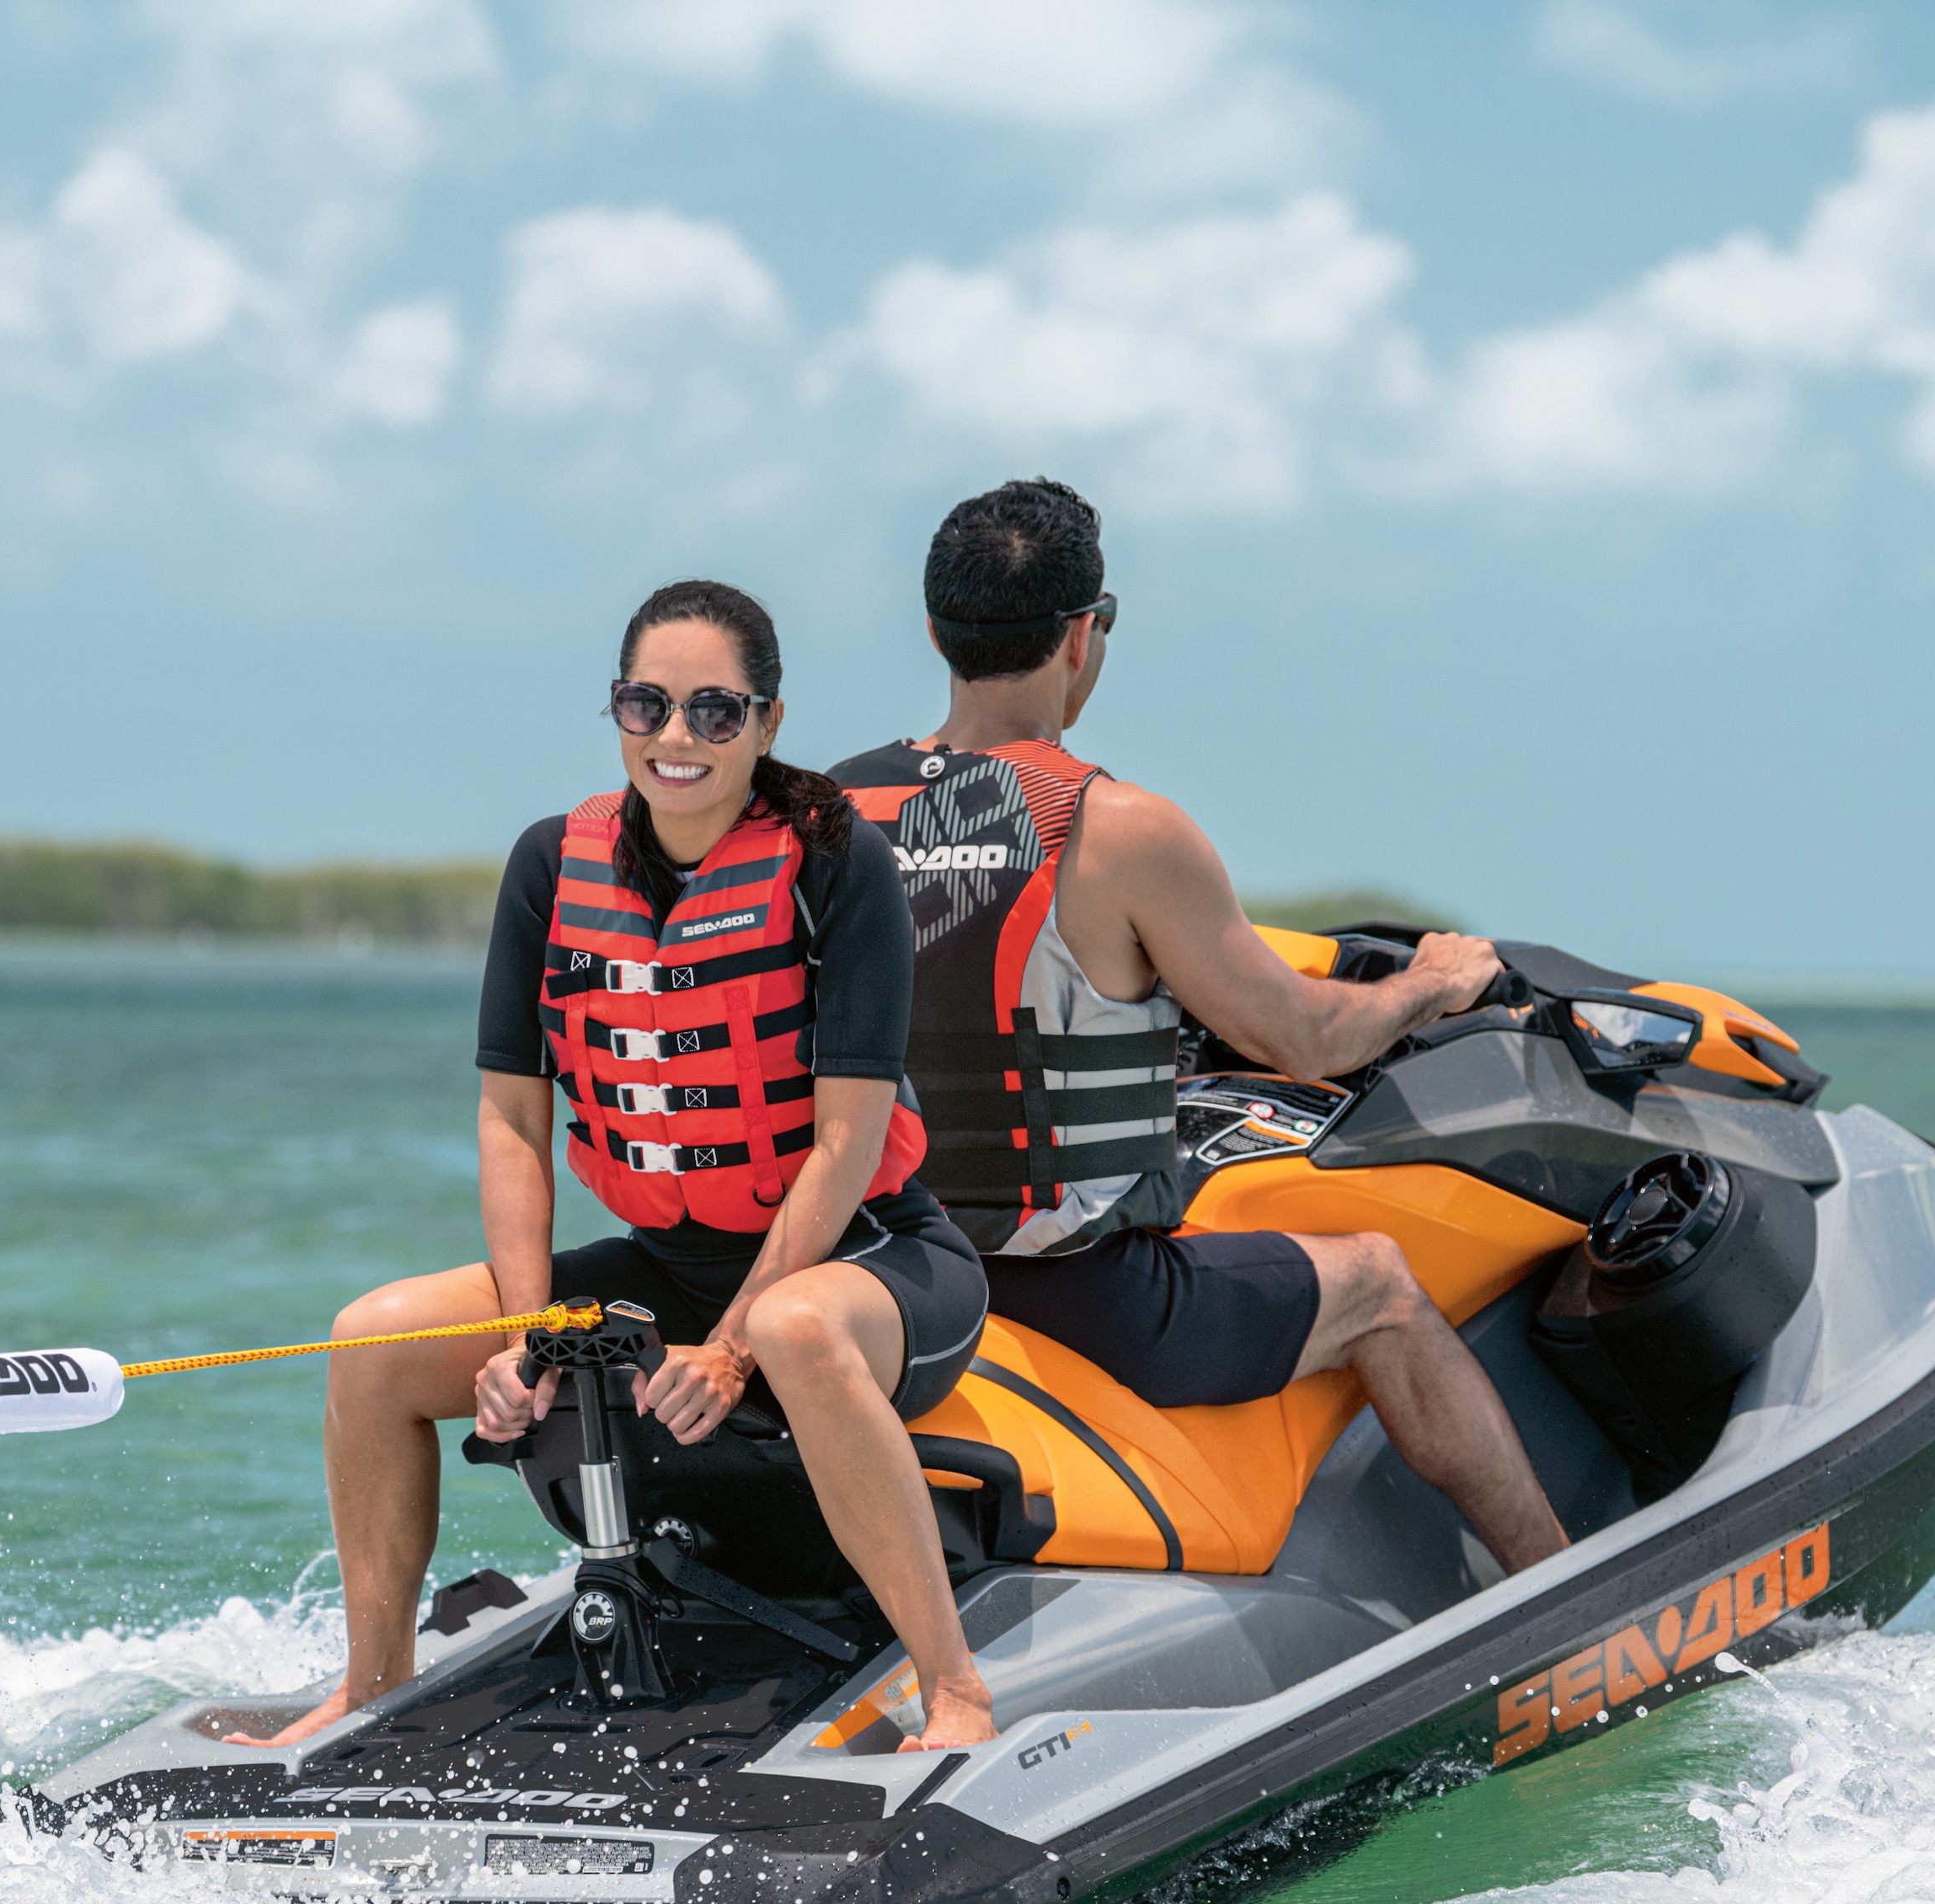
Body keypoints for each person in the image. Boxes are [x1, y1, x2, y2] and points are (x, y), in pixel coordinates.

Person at [249, 579, 1001, 1750]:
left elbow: (849, 1142)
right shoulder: (552, 867)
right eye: (648, 705)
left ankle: (954, 1688)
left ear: (768, 722)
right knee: (374, 1340)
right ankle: (372, 1683)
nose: (677, 738)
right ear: (616, 712)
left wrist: (740, 1340)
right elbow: (512, 1124)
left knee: (797, 1327)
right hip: (671, 1264)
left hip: (875, 1260)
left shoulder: (833, 865)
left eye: (715, 711)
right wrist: (518, 1335)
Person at [832, 478, 1569, 1577]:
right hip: (1095, 1296)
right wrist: (1430, 984)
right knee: (1379, 1283)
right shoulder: (1117, 827)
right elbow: (1309, 1039)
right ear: (1084, 636)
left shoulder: (831, 815)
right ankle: (1560, 1588)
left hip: (899, 1277)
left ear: (937, 629)